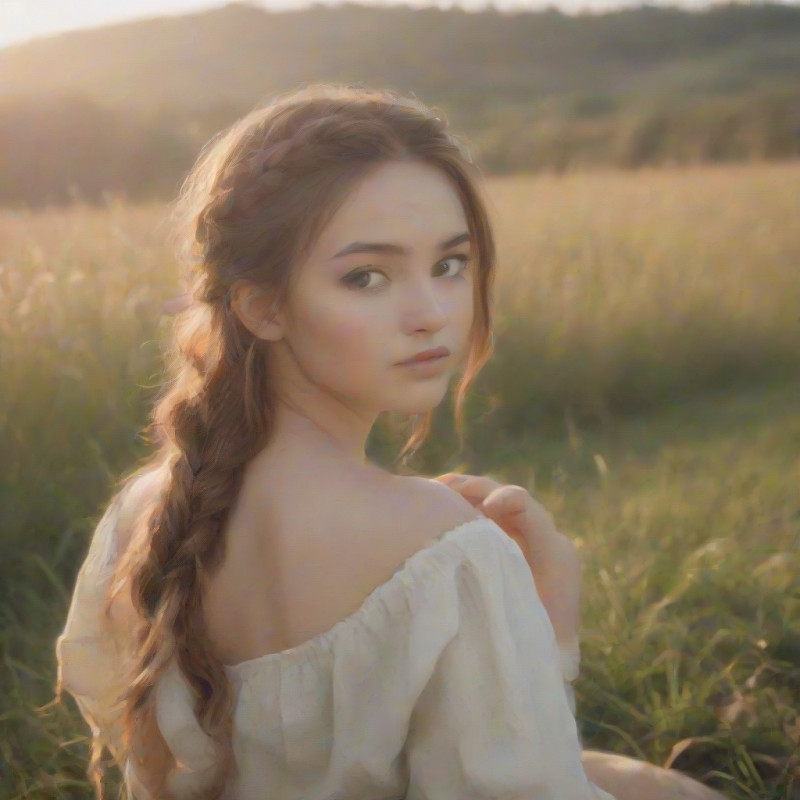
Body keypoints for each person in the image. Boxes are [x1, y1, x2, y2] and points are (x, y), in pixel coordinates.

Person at [55, 83, 727, 800]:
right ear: (263, 305)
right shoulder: (442, 547)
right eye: (368, 277)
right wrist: (550, 631)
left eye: (449, 264)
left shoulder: (143, 511)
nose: (431, 313)